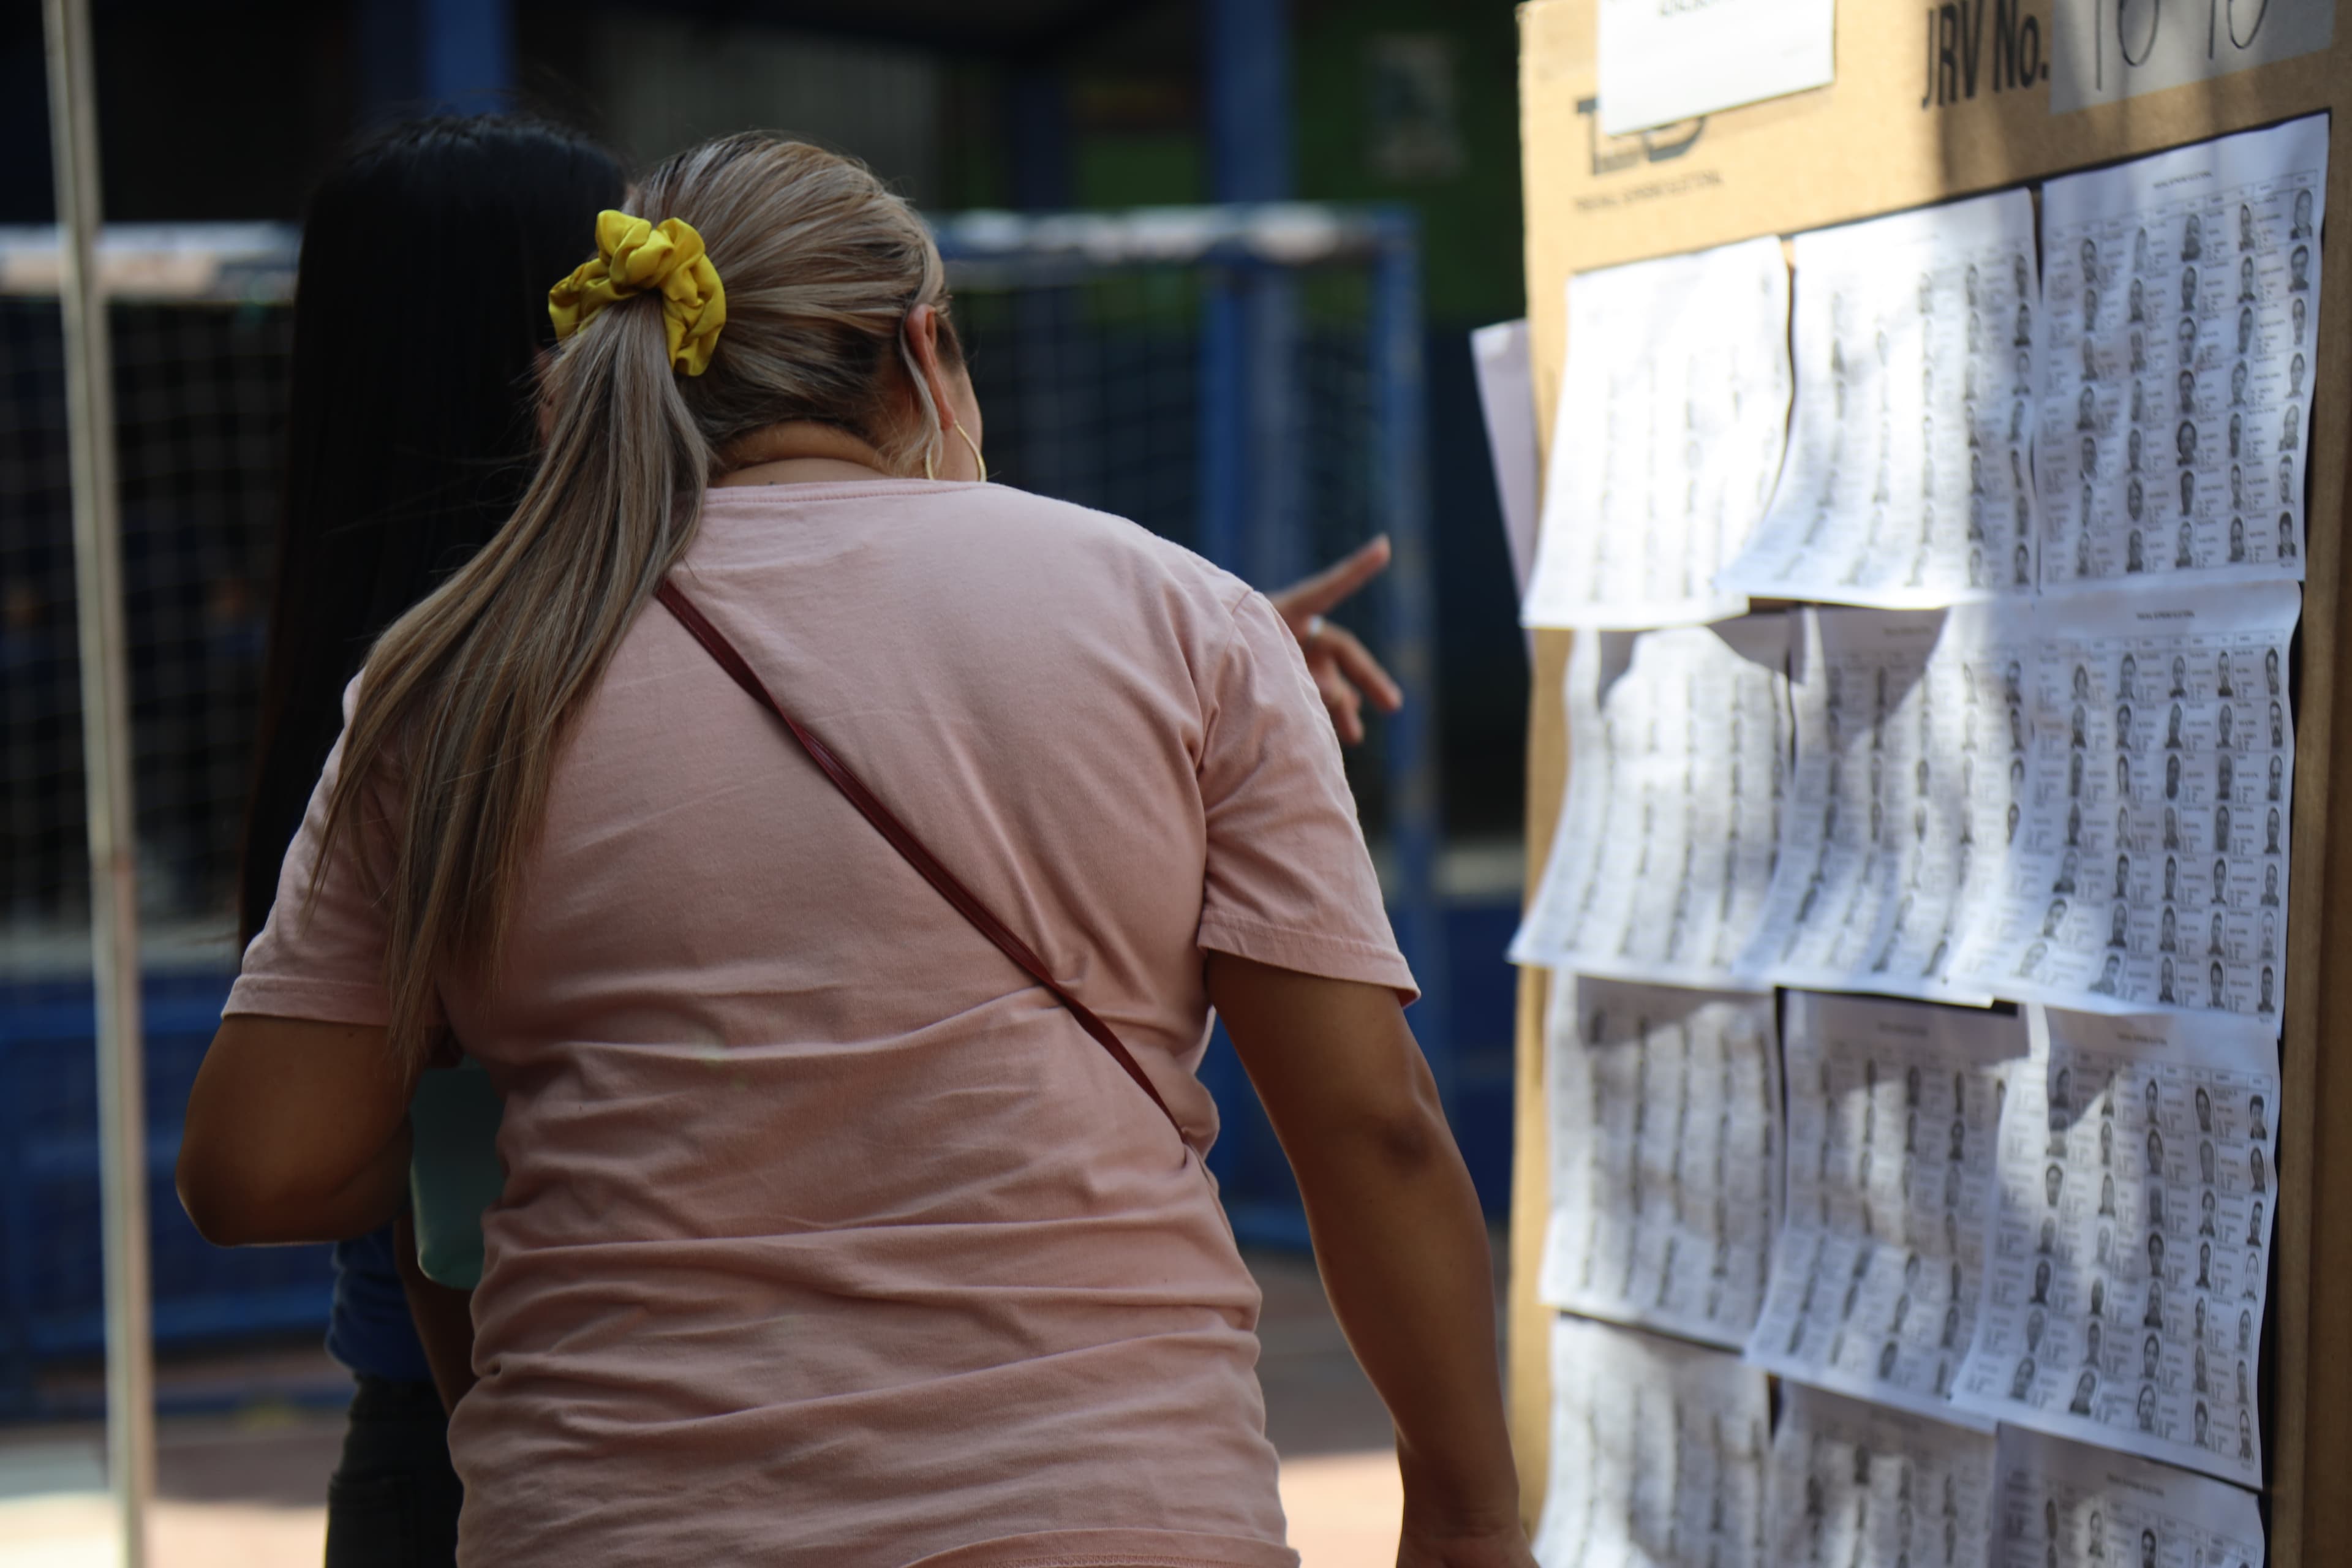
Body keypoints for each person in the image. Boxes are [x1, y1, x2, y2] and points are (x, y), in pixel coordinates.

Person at [181, 132, 1525, 1568]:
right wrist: (1463, 1511)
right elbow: (1374, 1127)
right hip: (1108, 1504)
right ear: (921, 347)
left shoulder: (458, 671)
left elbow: (255, 1169)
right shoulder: (1184, 619)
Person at [231, 116, 630, 1568]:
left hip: (459, 1437)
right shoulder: (466, 692)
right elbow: (387, 1170)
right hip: (524, 1435)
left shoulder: (370, 658)